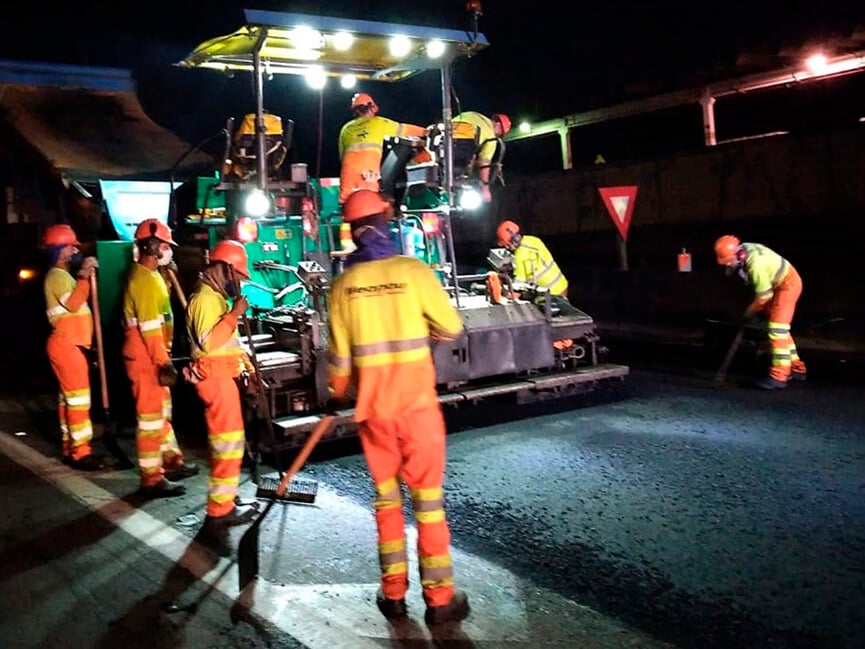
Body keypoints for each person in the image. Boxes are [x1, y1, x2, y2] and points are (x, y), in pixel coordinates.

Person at [327, 189, 470, 625]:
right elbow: (452, 326)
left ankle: (393, 595)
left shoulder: (343, 285)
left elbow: (339, 367)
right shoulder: (413, 271)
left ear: (351, 231)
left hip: (375, 414)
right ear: (385, 222)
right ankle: (439, 600)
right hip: (417, 410)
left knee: (387, 504)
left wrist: (338, 392)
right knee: (428, 503)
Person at [123, 219, 199, 497]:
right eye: (166, 246)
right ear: (152, 246)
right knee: (151, 420)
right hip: (147, 359)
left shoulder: (151, 276)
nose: (169, 250)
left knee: (162, 414)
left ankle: (170, 462)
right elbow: (150, 328)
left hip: (153, 356)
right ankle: (151, 478)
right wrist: (162, 362)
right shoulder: (143, 280)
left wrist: (168, 278)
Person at [185, 239, 258, 526]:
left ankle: (227, 498)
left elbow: (230, 344)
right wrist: (235, 314)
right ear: (225, 269)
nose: (238, 283)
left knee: (230, 443)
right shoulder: (204, 299)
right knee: (228, 445)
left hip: (223, 377)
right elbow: (209, 343)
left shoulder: (216, 299)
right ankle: (220, 508)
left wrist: (248, 369)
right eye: (237, 276)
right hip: (214, 379)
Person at [40, 224, 104, 471]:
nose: (75, 250)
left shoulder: (61, 276)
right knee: (78, 401)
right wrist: (84, 275)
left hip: (69, 345)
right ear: (59, 250)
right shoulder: (58, 276)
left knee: (68, 400)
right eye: (70, 246)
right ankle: (81, 453)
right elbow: (75, 303)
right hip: (67, 346)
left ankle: (71, 447)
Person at [714, 235, 807, 389]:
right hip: (778, 284)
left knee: (777, 329)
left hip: (787, 285)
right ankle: (796, 368)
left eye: (729, 262)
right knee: (781, 329)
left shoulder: (755, 264)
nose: (728, 265)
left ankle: (779, 376)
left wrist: (750, 311)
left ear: (738, 255)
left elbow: (764, 296)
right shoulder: (744, 249)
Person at [338, 92, 426, 204]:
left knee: (347, 204)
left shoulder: (346, 128)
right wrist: (427, 131)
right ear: (373, 107)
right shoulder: (379, 123)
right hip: (368, 173)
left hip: (348, 174)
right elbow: (406, 129)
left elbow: (342, 156)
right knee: (369, 205)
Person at [495, 220, 569, 298]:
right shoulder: (532, 239)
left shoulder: (520, 255)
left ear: (511, 242)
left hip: (550, 294)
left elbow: (518, 287)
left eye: (506, 245)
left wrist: (504, 293)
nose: (507, 247)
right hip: (561, 284)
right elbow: (534, 261)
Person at [451, 111, 511, 202]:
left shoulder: (473, 114)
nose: (498, 136)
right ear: (498, 125)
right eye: (500, 134)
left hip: (441, 141)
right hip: (459, 152)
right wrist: (485, 190)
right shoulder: (491, 137)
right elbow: (484, 164)